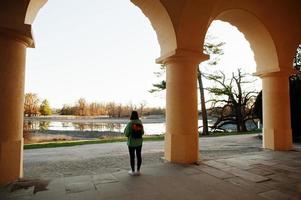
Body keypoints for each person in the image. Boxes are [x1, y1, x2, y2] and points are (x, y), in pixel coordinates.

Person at [124, 111, 144, 176]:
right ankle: (138, 171)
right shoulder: (140, 122)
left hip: (131, 143)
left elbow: (126, 134)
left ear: (131, 115)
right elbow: (142, 132)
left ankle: (133, 171)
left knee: (132, 157)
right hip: (139, 142)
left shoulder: (130, 123)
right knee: (139, 156)